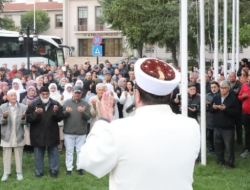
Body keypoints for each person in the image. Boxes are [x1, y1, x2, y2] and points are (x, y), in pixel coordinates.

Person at [79, 58, 200, 190]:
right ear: (170, 94)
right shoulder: (191, 126)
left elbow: (87, 161)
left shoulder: (118, 130)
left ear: (137, 95)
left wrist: (103, 121)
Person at [26, 86, 64, 178]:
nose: (45, 95)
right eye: (43, 94)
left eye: (47, 94)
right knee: (39, 153)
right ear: (39, 94)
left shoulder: (55, 104)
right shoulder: (33, 104)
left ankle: (54, 170)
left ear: (49, 94)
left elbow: (60, 118)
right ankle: (39, 171)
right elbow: (28, 119)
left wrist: (56, 112)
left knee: (53, 153)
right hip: (38, 133)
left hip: (52, 132)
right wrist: (36, 114)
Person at [0, 90, 27, 181]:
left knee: (19, 154)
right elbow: (0, 121)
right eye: (11, 96)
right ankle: (6, 172)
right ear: (7, 97)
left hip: (18, 133)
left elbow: (26, 122)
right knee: (6, 154)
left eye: (15, 95)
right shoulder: (2, 107)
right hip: (7, 134)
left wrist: (23, 118)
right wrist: (5, 116)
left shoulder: (22, 107)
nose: (13, 97)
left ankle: (19, 172)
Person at [209, 80, 239, 169]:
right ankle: (220, 161)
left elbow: (236, 112)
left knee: (229, 146)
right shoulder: (216, 97)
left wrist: (225, 109)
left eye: (224, 88)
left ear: (229, 89)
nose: (222, 90)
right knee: (218, 144)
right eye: (221, 88)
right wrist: (214, 108)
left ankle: (230, 163)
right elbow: (210, 110)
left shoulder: (233, 98)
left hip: (228, 126)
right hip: (217, 125)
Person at [62, 86, 91, 176]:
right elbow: (62, 116)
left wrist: (83, 112)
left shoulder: (85, 104)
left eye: (78, 93)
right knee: (69, 151)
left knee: (80, 151)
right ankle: (69, 168)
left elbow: (88, 117)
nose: (77, 94)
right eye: (75, 92)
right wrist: (66, 112)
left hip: (81, 131)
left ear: (81, 93)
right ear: (72, 93)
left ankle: (80, 167)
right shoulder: (66, 102)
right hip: (69, 131)